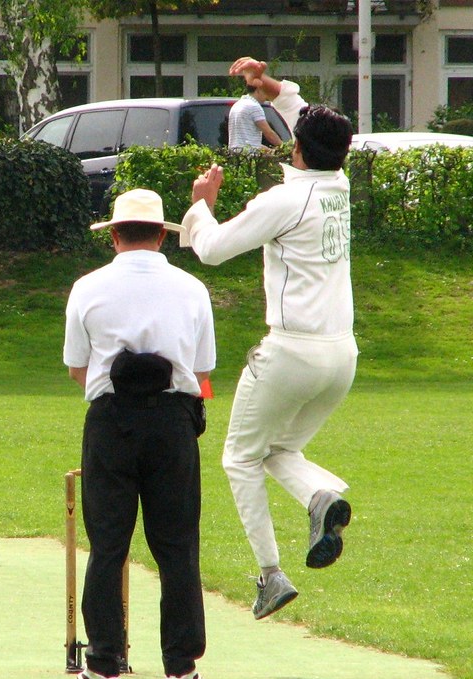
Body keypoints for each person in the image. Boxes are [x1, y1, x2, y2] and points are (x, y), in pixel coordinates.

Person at [180, 57, 356, 621]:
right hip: (341, 356)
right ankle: (319, 498)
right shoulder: (339, 183)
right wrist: (271, 87)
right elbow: (307, 117)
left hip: (291, 351)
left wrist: (202, 204)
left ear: (295, 148)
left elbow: (209, 250)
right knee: (278, 450)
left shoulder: (283, 200)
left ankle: (271, 575)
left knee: (239, 459)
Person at [64, 189, 216, 679]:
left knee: (108, 544)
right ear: (161, 236)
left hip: (111, 420)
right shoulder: (192, 288)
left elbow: (76, 369)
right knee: (177, 546)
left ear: (113, 235)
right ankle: (180, 664)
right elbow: (203, 368)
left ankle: (104, 662)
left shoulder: (87, 287)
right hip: (172, 422)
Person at [228, 80, 283, 151]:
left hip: (235, 155)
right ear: (258, 90)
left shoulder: (237, 105)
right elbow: (269, 133)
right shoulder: (254, 106)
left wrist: (269, 150)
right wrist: (284, 147)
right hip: (249, 158)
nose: (267, 95)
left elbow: (247, 142)